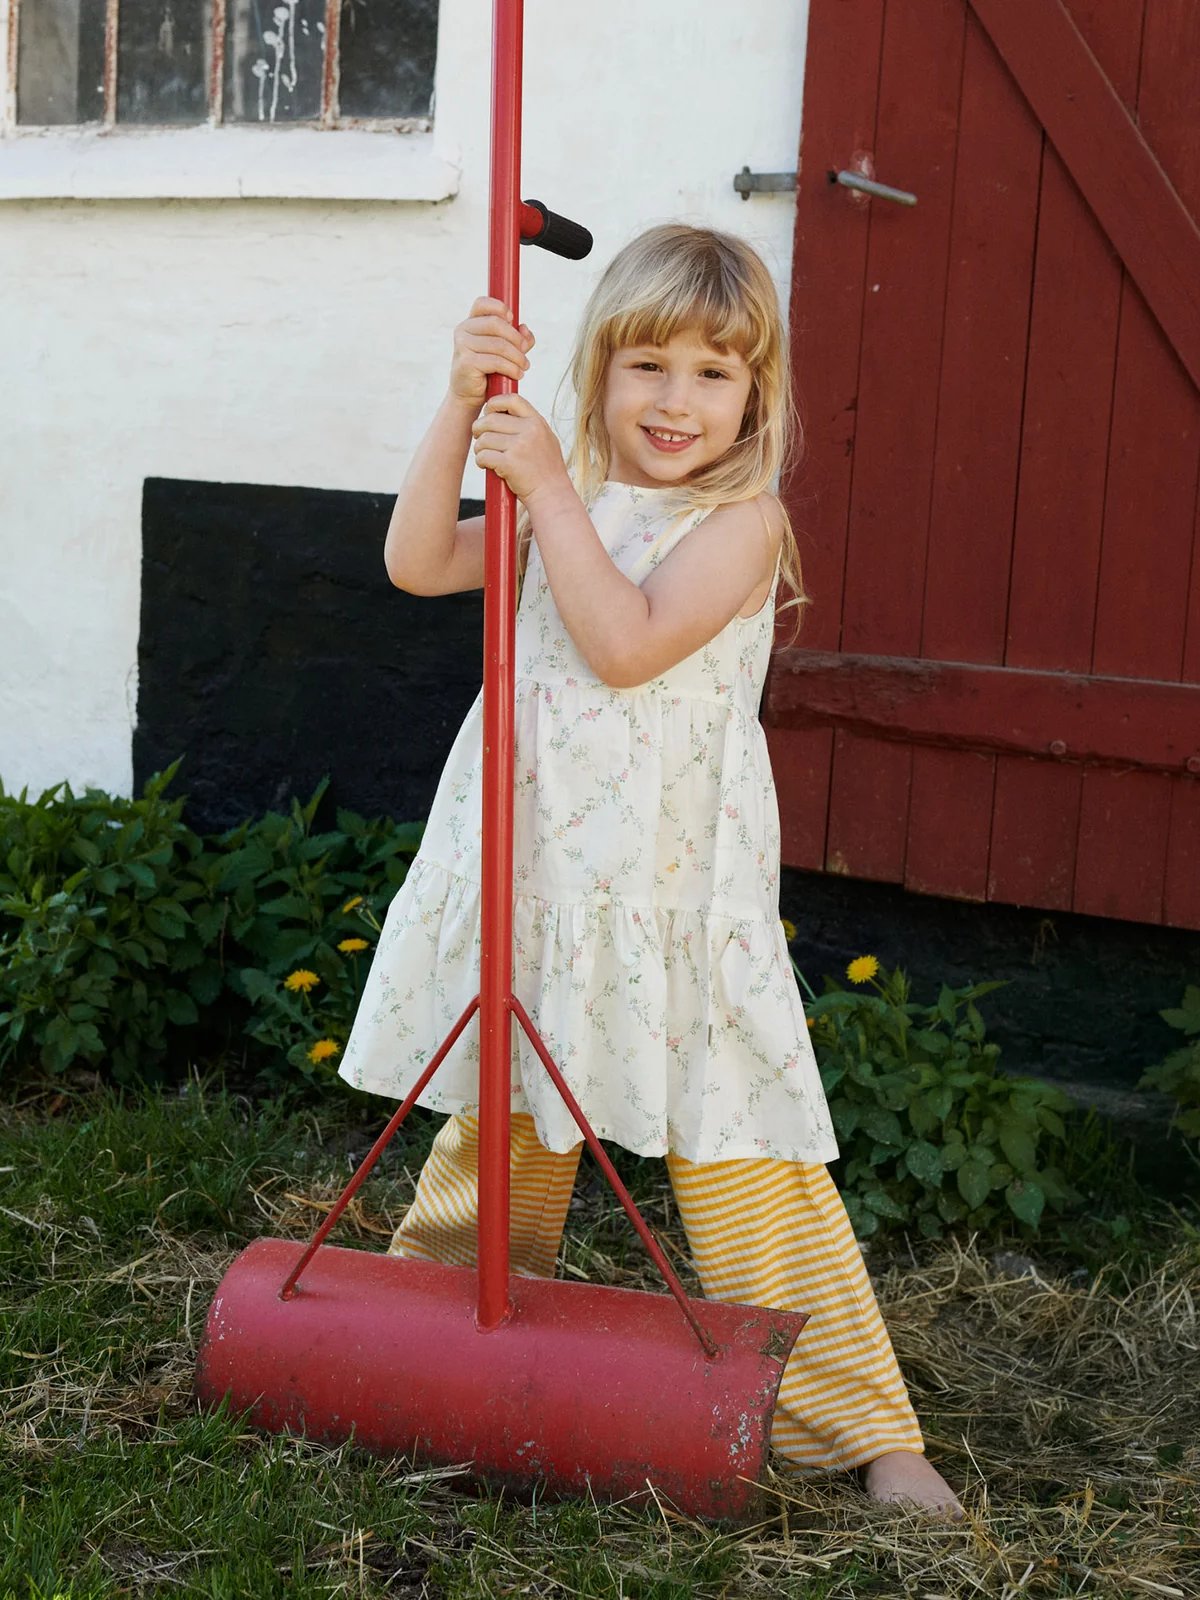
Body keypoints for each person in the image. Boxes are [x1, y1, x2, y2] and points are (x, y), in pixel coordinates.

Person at [338, 223, 961, 1516]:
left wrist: (553, 490)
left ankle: (861, 1428)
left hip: (669, 900)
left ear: (758, 395)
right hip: (543, 879)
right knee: (501, 1120)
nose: (677, 402)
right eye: (648, 367)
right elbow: (413, 562)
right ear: (600, 372)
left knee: (743, 1153)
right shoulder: (552, 497)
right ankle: (431, 1330)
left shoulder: (742, 526)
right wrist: (461, 413)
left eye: (713, 375)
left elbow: (622, 645)